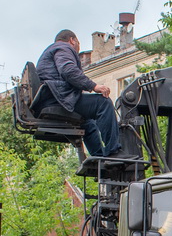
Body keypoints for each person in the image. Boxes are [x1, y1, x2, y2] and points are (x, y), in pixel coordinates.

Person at [35, 29, 122, 158]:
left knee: (88, 122)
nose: (78, 49)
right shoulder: (63, 47)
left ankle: (99, 160)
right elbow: (68, 70)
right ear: (72, 40)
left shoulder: (50, 51)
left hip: (52, 99)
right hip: (58, 99)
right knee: (104, 103)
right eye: (78, 44)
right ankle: (114, 152)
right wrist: (94, 86)